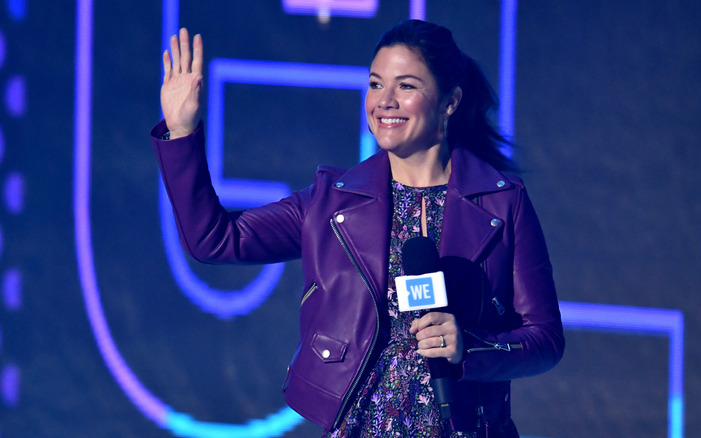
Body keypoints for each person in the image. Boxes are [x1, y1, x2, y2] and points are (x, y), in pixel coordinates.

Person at [151, 19, 564, 438]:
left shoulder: (502, 201)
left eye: (405, 86)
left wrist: (469, 346)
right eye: (375, 84)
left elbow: (545, 339)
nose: (385, 101)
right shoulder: (331, 202)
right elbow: (215, 239)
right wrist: (182, 132)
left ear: (450, 101)